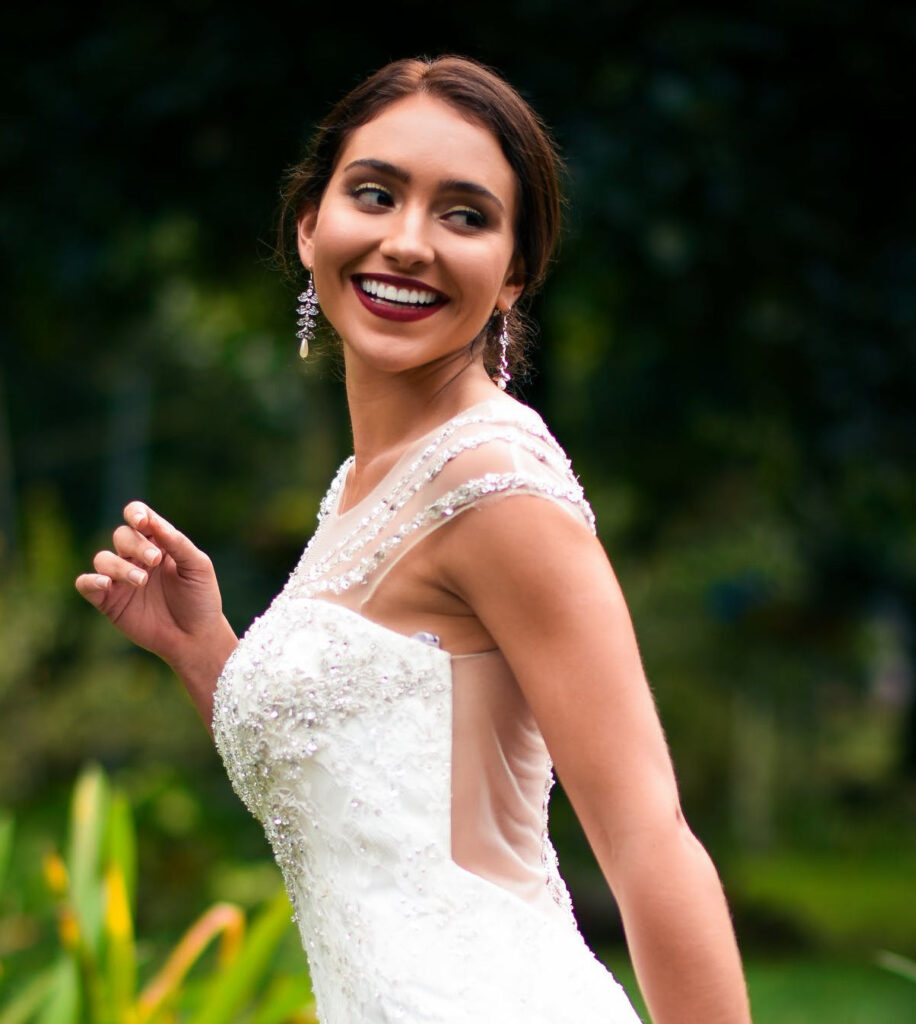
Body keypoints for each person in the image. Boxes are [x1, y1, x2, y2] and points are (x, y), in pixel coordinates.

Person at [76, 56, 752, 1024]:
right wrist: (203, 649)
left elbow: (650, 838)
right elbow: (376, 811)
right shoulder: (366, 484)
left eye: (465, 214)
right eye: (375, 193)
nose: (406, 242)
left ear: (515, 272)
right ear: (312, 224)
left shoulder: (493, 483)